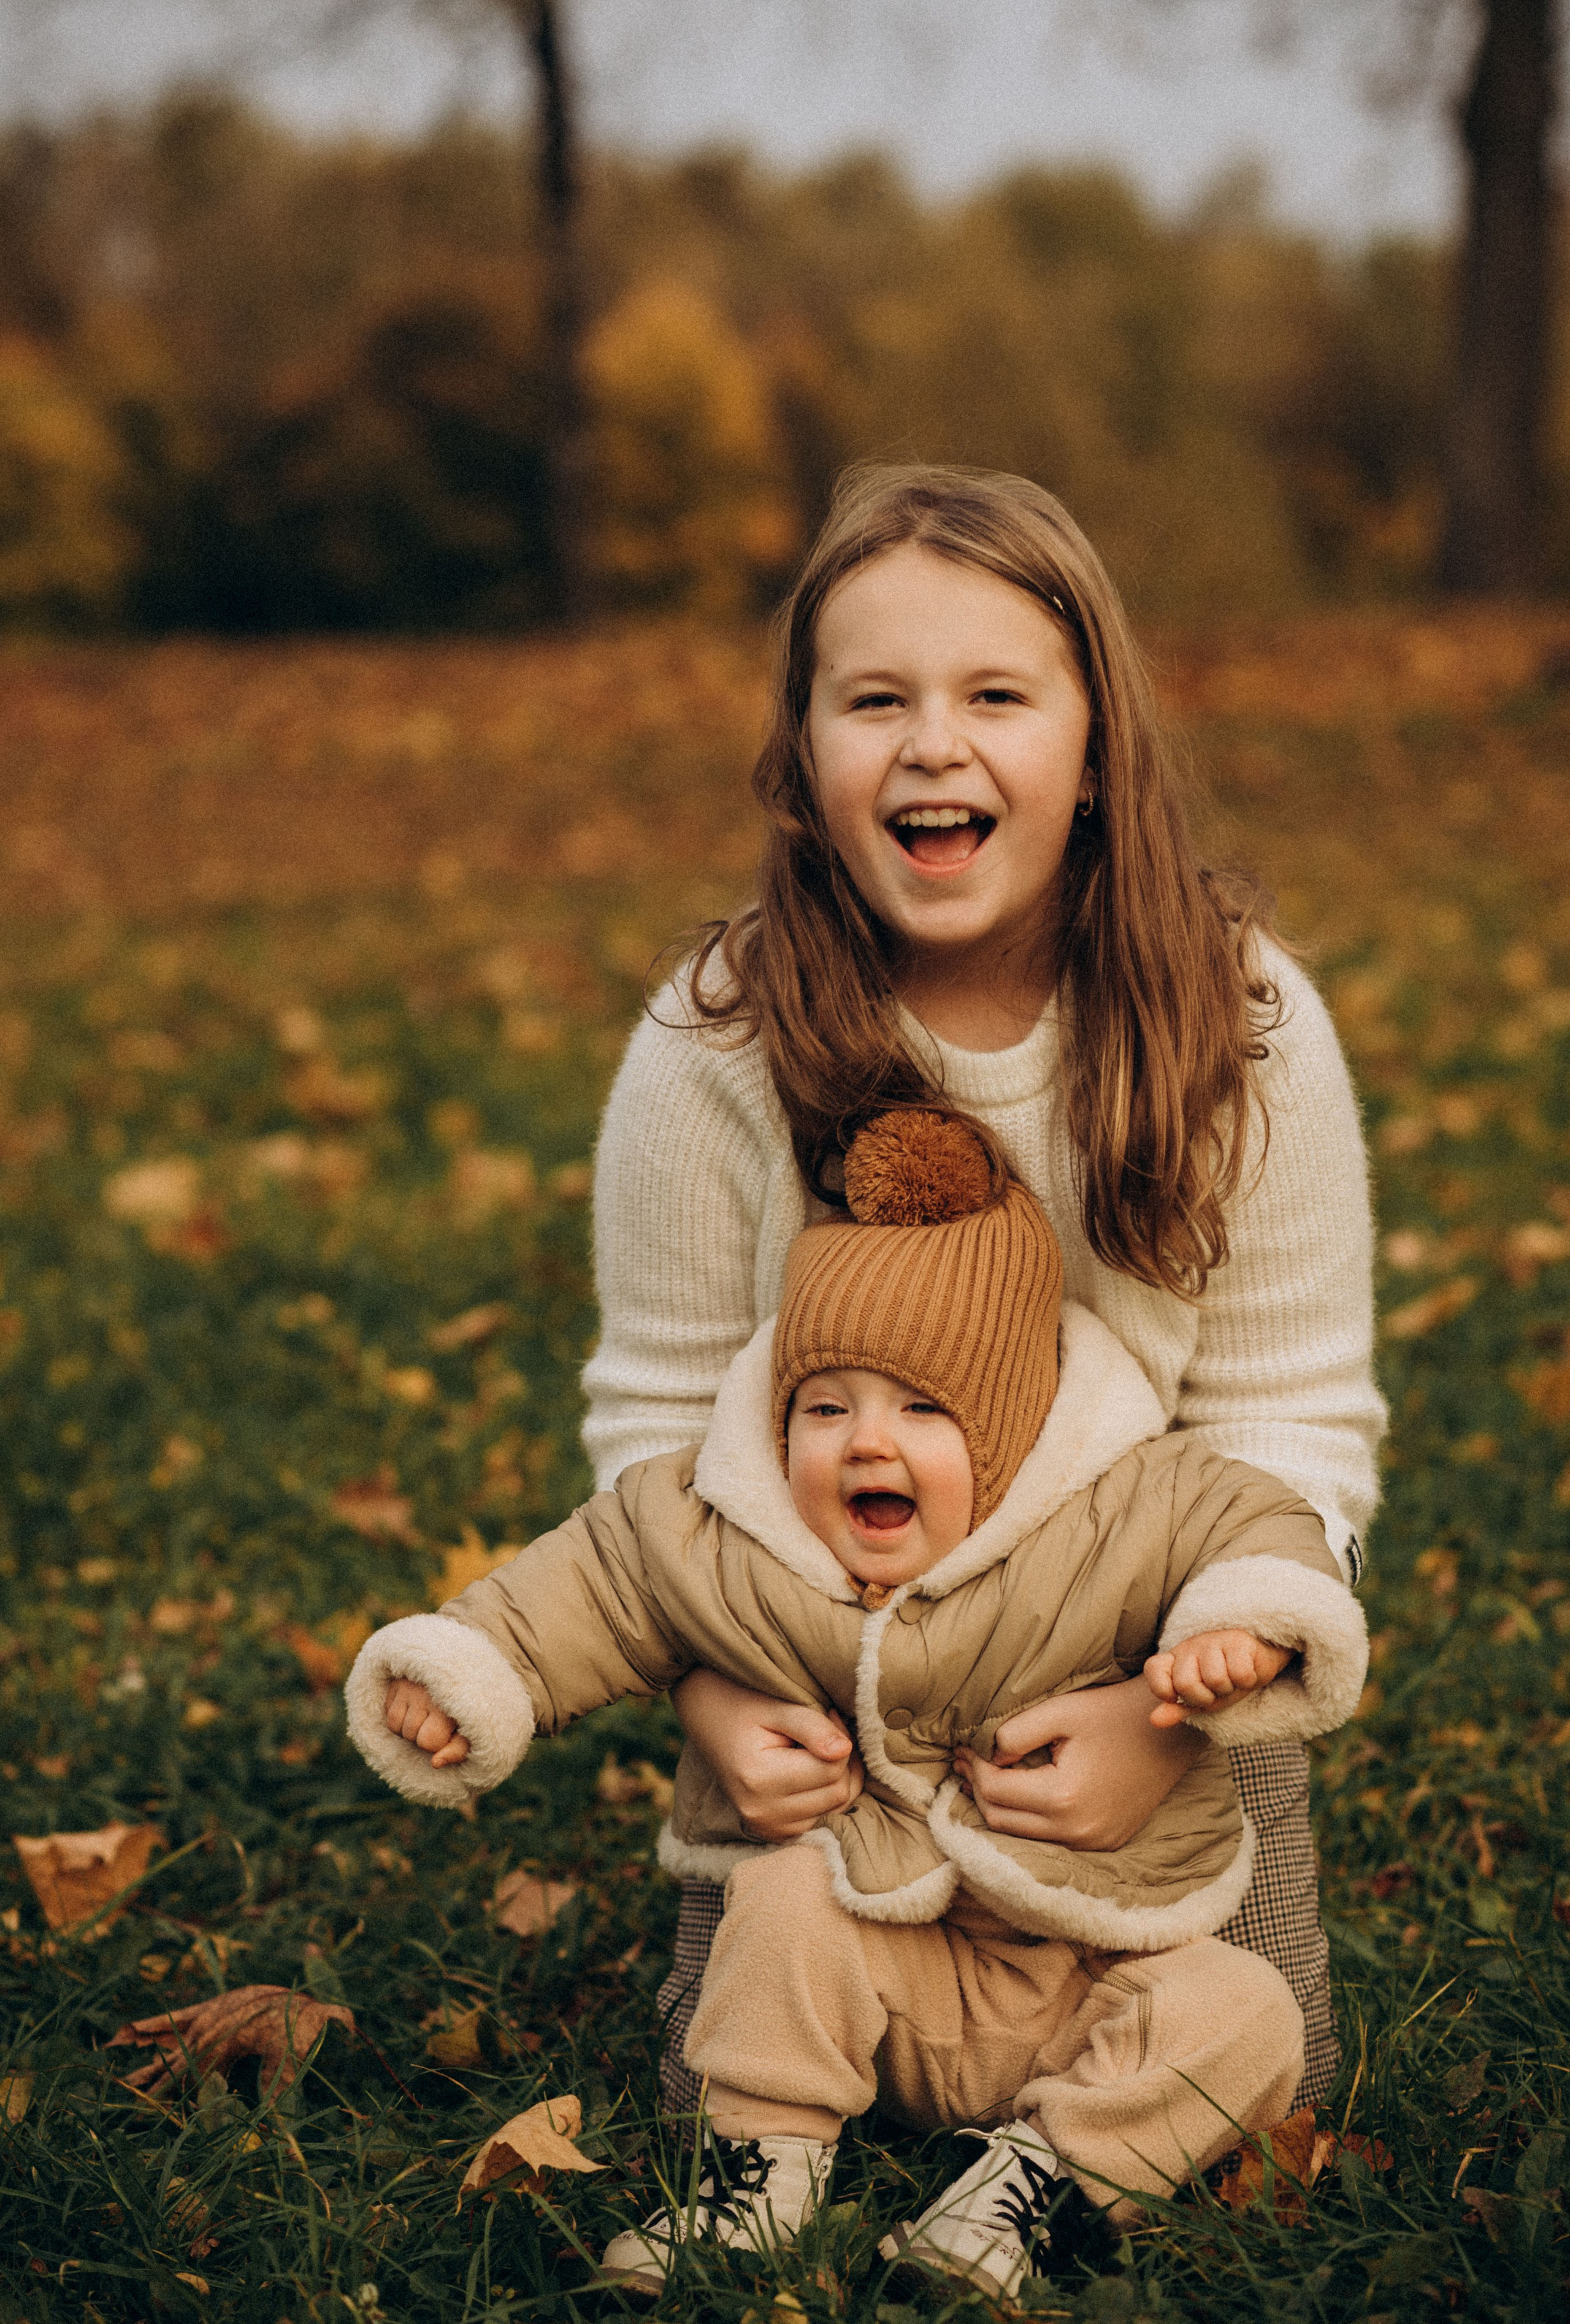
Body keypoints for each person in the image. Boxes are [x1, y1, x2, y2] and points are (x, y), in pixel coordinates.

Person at [580, 464, 1385, 2113]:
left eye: (998, 696)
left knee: (1264, 2058)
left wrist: (1183, 1704)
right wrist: (716, 1687)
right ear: (806, 760)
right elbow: (657, 1422)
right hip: (826, 1671)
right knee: (712, 2082)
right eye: (874, 699)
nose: (934, 745)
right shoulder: (716, 1041)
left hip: (1152, 1661)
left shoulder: (1246, 1027)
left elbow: (1291, 1416)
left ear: (1095, 748)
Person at [345, 1110, 1369, 2296]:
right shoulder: (724, 1528)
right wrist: (465, 1674)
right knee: (783, 1891)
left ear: (1013, 1428)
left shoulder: (1121, 1508)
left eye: (925, 1411)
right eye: (826, 1406)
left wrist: (1237, 1631)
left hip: (1091, 1970)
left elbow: (1255, 1524)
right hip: (882, 1964)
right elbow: (588, 1583)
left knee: (1246, 2012)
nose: (865, 1443)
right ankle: (759, 2172)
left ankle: (1039, 2187)